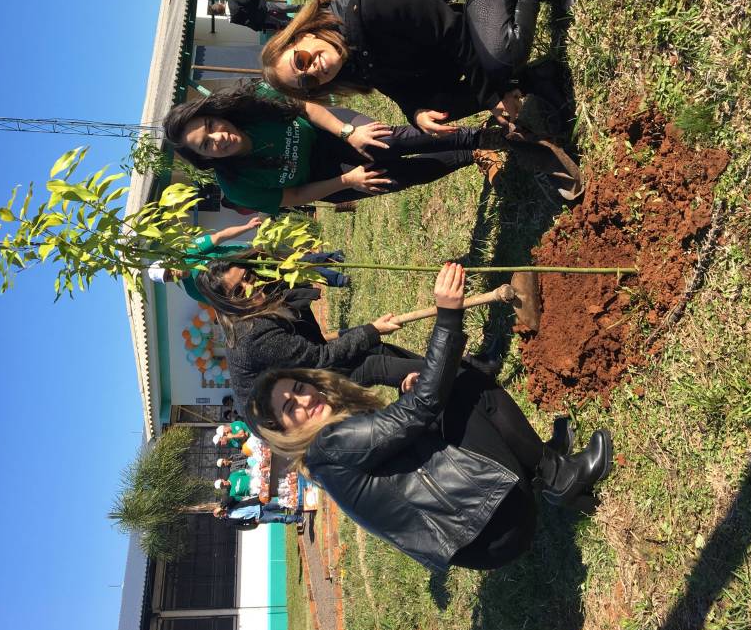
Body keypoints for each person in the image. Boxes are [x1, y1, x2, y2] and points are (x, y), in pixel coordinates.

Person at [245, 263, 613, 571]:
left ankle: (538, 464)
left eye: (299, 388)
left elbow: (406, 436)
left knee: (442, 392)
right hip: (497, 525)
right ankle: (559, 476)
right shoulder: (330, 444)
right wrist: (448, 315)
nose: (305, 400)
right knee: (460, 383)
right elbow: (425, 404)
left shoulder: (322, 458)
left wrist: (411, 395)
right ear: (283, 432)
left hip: (484, 538)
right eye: (290, 408)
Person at [261, 0, 572, 133]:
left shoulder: (367, 6)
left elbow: (453, 31)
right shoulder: (349, 60)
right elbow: (393, 85)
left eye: (300, 60)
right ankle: (533, 79)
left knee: (503, 56)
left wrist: (490, 97)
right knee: (437, 110)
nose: (313, 70)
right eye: (308, 82)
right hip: (451, 22)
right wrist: (415, 111)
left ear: (303, 35)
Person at [163, 83, 512, 214]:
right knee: (393, 178)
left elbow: (305, 107)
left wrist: (349, 133)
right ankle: (470, 155)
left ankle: (480, 137)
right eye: (206, 144)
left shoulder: (250, 103)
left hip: (328, 130)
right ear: (205, 158)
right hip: (323, 178)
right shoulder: (236, 186)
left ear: (215, 114)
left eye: (211, 126)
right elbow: (294, 196)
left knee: (385, 143)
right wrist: (347, 182)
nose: (218, 138)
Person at [187, 257, 424, 411]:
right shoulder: (251, 335)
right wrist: (372, 330)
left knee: (375, 348)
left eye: (248, 277)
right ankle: (438, 378)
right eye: (239, 291)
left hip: (303, 372)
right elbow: (320, 358)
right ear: (227, 304)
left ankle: (434, 370)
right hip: (290, 409)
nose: (251, 287)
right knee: (372, 364)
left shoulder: (262, 295)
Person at [146, 217, 350, 296]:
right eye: (168, 278)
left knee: (294, 262)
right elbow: (221, 300)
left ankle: (334, 262)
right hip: (252, 282)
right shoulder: (193, 290)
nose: (172, 275)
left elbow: (220, 236)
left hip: (250, 257)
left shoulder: (190, 251)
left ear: (171, 262)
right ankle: (337, 276)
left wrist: (247, 227)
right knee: (294, 276)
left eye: (169, 271)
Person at [209, 0, 301, 33]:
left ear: (220, 13)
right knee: (287, 7)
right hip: (263, 6)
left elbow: (247, 23)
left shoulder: (232, 19)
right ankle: (305, 8)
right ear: (220, 4)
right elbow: (246, 0)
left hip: (262, 18)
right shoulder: (231, 1)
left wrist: (259, 27)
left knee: (286, 21)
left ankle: (302, 23)